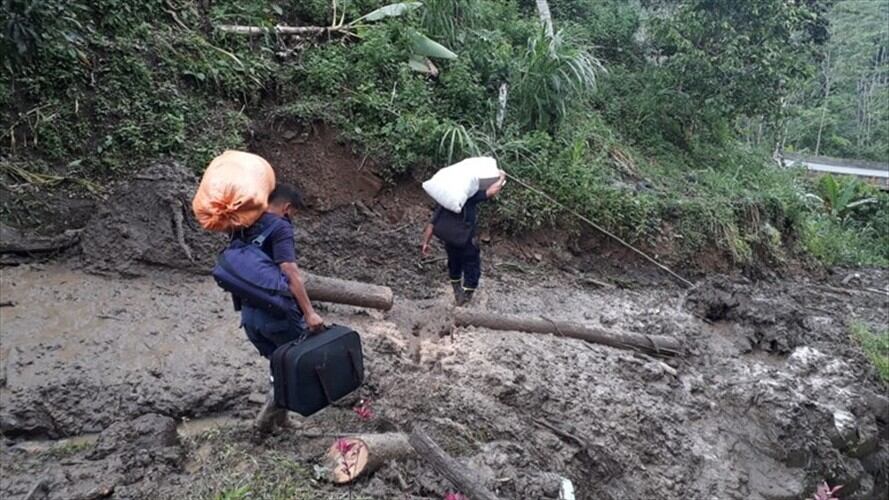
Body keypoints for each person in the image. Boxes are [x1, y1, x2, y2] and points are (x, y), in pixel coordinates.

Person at [232, 183, 324, 433]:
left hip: (249, 316)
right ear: (287, 207)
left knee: (279, 363)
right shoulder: (280, 226)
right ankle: (263, 422)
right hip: (276, 316)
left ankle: (281, 420)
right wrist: (309, 312)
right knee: (296, 364)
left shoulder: (244, 225)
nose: (292, 217)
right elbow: (289, 270)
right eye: (293, 212)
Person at [420, 171, 507, 305]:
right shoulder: (469, 198)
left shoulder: (446, 201)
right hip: (466, 240)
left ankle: (457, 291)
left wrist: (425, 242)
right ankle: (466, 298)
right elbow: (491, 191)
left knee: (454, 264)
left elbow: (432, 224)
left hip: (450, 241)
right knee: (472, 266)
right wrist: (501, 178)